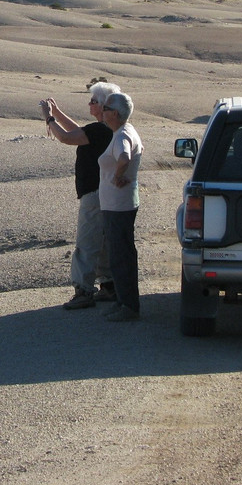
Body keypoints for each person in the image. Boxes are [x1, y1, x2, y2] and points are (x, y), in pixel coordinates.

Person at [39, 81, 121, 310]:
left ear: (104, 106)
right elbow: (77, 131)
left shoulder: (99, 130)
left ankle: (83, 290)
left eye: (94, 101)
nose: (90, 104)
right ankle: (109, 285)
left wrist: (48, 118)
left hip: (94, 194)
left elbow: (66, 137)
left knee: (86, 243)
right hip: (105, 193)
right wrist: (57, 113)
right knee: (103, 242)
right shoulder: (107, 129)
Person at [98, 92, 144, 322]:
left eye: (105, 107)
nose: (102, 111)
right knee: (121, 254)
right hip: (119, 204)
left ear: (115, 113)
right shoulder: (124, 131)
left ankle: (128, 306)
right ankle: (124, 301)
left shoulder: (121, 136)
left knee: (121, 256)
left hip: (118, 205)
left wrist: (118, 175)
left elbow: (124, 157)